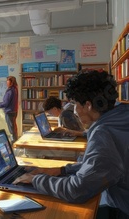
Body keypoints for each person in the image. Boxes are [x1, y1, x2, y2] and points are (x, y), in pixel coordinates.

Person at [12, 70, 129, 218]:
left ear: (88, 105)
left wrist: (36, 179)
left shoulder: (104, 134)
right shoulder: (122, 115)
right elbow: (101, 164)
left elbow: (77, 190)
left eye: (74, 104)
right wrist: (62, 170)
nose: (73, 110)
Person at [0, 76, 18, 142]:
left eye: (7, 81)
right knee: (13, 128)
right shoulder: (15, 89)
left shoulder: (10, 91)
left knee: (11, 129)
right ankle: (15, 141)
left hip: (10, 112)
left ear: (11, 83)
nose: (6, 83)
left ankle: (14, 142)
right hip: (14, 111)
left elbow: (5, 103)